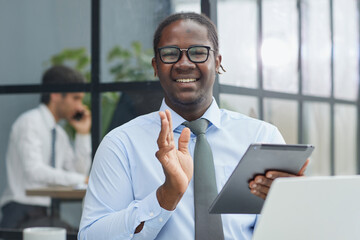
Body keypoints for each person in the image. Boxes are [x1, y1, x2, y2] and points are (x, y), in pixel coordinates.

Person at [78, 12, 308, 240]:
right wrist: (164, 197)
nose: (184, 63)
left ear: (217, 62)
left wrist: (291, 205)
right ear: (156, 66)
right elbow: (91, 236)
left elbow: (287, 230)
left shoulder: (262, 137)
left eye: (198, 52)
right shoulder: (121, 144)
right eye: (170, 54)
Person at [0, 65, 92, 228]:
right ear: (56, 94)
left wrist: (83, 134)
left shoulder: (59, 133)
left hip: (45, 213)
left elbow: (78, 174)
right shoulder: (29, 122)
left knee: (83, 234)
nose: (80, 107)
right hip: (22, 213)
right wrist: (82, 179)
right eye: (76, 98)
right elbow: (34, 172)